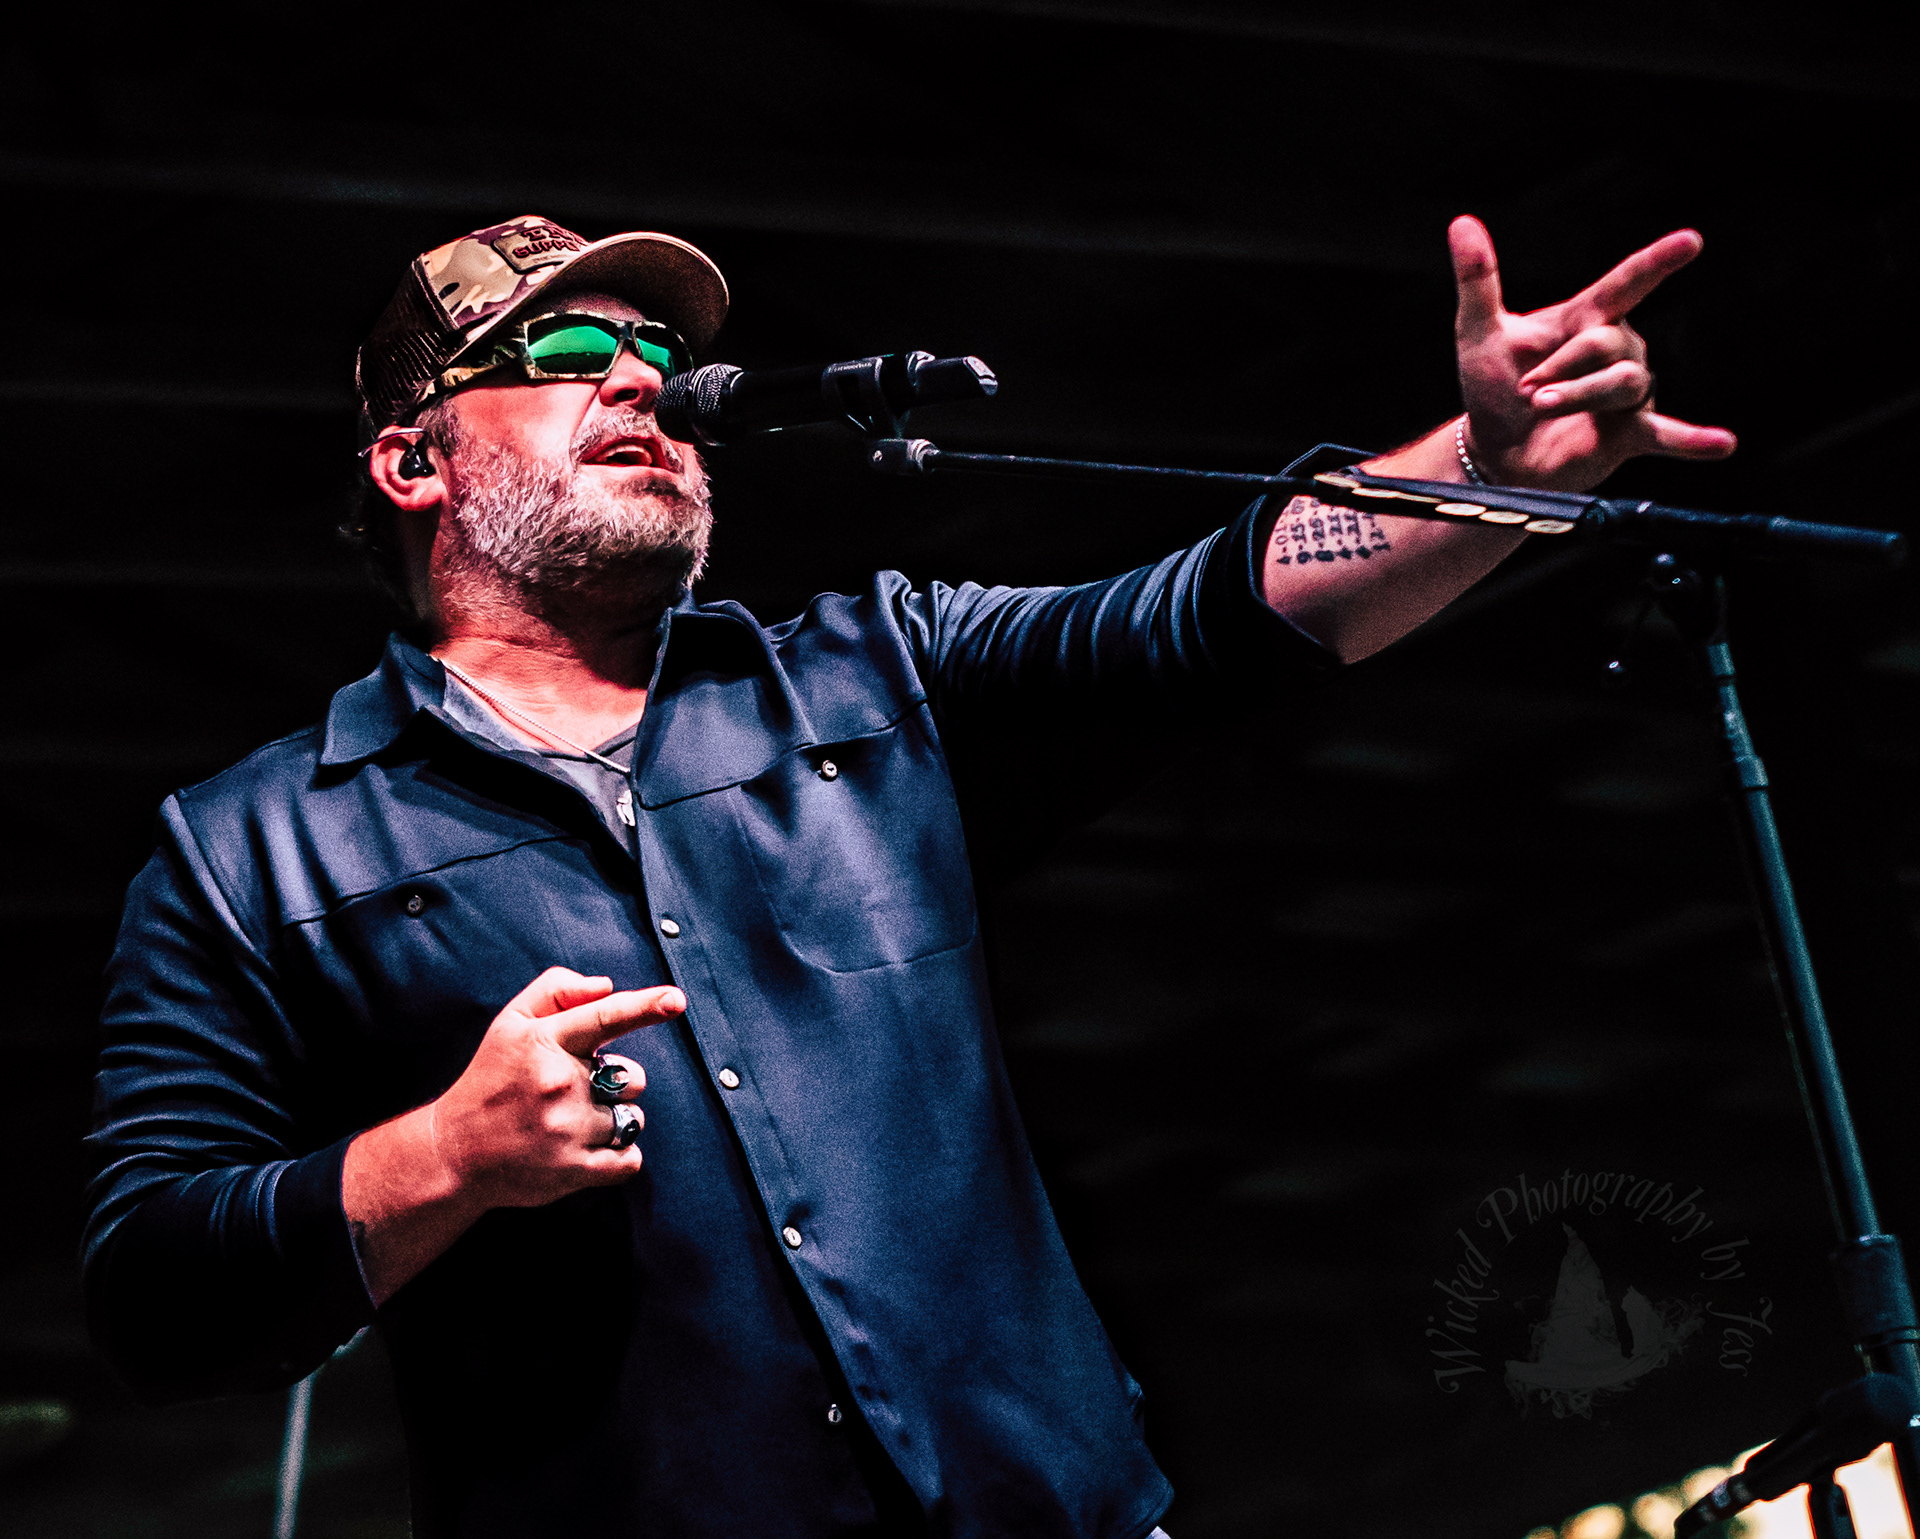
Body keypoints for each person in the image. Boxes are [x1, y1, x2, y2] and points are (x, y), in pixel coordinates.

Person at [82, 213, 1734, 1539]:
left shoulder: (877, 677)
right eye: (573, 353)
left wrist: (1486, 471)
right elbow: (154, 1292)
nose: (645, 383)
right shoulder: (250, 849)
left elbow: (1212, 617)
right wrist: (439, 1158)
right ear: (413, 464)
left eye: (665, 356)